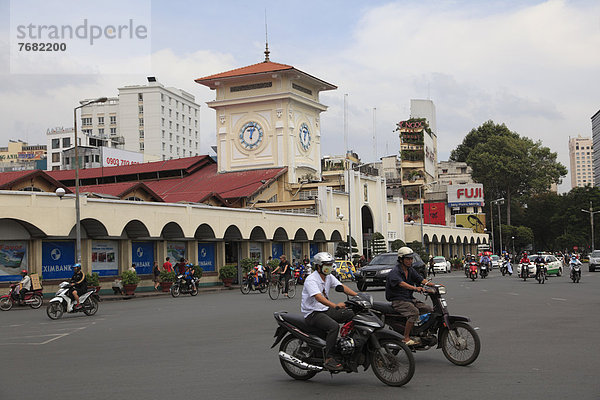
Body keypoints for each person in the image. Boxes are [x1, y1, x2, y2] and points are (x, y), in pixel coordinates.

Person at [301, 251, 357, 371]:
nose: (329, 267)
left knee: (352, 315)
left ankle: (346, 345)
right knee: (333, 326)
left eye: (330, 264)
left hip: (325, 309)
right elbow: (318, 297)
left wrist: (358, 296)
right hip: (313, 313)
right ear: (319, 266)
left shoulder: (328, 277)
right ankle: (329, 358)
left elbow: (341, 287)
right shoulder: (311, 279)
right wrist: (335, 305)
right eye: (327, 265)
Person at [385, 247, 438, 346]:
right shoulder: (395, 271)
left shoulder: (410, 270)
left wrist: (434, 285)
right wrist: (415, 288)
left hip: (408, 299)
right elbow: (401, 283)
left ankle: (420, 331)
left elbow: (420, 279)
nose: (410, 261)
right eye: (407, 259)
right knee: (414, 312)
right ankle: (406, 338)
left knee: (429, 309)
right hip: (398, 300)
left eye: (411, 259)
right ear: (401, 259)